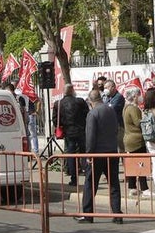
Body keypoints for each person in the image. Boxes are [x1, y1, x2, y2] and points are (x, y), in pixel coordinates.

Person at [75, 89, 122, 224]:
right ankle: (117, 214)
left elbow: (90, 136)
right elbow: (116, 129)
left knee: (90, 184)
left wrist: (89, 154)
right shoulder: (111, 110)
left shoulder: (92, 113)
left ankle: (88, 214)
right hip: (112, 152)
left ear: (90, 101)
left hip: (97, 154)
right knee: (114, 184)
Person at [58, 85, 89, 187]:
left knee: (71, 155)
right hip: (81, 131)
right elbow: (87, 114)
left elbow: (56, 119)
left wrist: (62, 127)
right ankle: (88, 175)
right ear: (72, 91)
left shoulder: (59, 104)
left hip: (69, 132)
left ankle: (74, 178)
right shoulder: (80, 102)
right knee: (84, 153)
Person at [121, 87, 149, 196]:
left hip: (130, 139)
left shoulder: (126, 107)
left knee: (132, 164)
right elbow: (138, 123)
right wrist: (146, 117)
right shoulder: (133, 108)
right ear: (134, 96)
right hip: (136, 140)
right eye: (139, 94)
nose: (140, 97)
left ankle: (132, 187)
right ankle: (144, 188)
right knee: (140, 164)